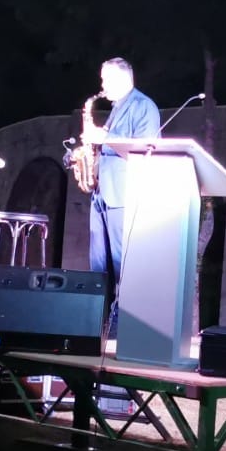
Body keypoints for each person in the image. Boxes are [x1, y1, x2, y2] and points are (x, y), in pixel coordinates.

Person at [83, 57, 161, 338]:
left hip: (124, 194)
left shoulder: (144, 107)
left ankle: (123, 323)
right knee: (98, 263)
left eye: (106, 79)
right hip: (102, 193)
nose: (102, 85)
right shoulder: (118, 108)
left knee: (122, 261)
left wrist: (104, 137)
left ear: (122, 79)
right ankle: (95, 319)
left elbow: (146, 147)